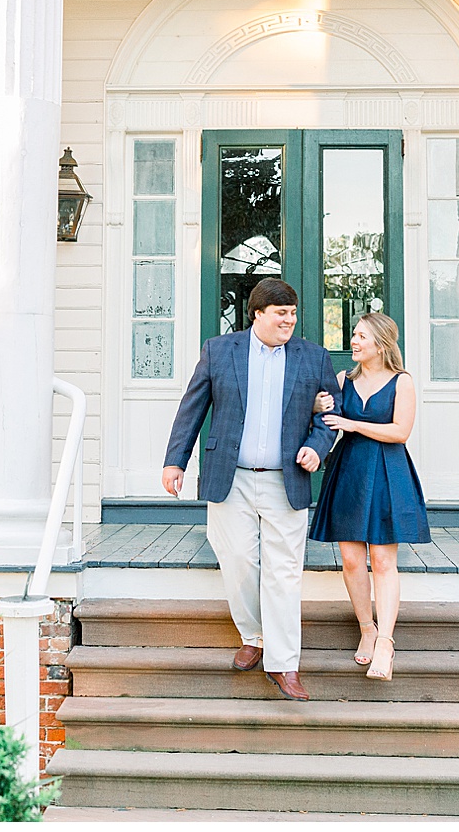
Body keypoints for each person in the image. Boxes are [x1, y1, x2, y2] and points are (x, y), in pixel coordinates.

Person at [162, 277, 340, 702]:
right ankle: (254, 636)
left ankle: (284, 664)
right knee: (239, 560)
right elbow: (193, 406)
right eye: (281, 314)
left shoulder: (313, 357)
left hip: (286, 479)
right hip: (232, 475)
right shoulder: (220, 350)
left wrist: (316, 448)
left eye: (293, 314)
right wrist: (175, 460)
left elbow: (330, 413)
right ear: (257, 314)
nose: (289, 321)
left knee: (283, 572)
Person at [307, 311, 430, 681]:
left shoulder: (401, 382)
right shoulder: (345, 379)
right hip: (350, 470)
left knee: (382, 558)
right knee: (350, 558)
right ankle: (366, 628)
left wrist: (353, 424)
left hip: (387, 469)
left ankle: (386, 642)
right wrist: (317, 407)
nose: (354, 342)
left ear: (381, 343)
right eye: (354, 336)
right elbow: (326, 413)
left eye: (361, 336)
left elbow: (400, 432)